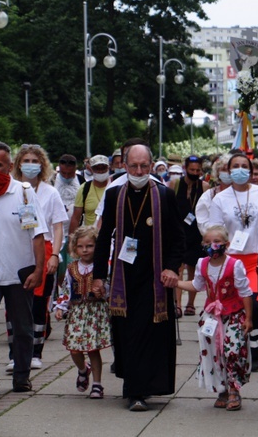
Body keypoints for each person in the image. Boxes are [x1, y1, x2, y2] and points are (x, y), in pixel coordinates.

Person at [92, 144, 185, 411]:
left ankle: (139, 391)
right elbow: (102, 238)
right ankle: (134, 388)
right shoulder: (113, 195)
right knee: (129, 334)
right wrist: (99, 276)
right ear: (124, 165)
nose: (139, 171)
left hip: (155, 278)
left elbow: (178, 238)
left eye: (144, 166)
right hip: (124, 277)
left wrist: (172, 267)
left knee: (148, 334)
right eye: (133, 166)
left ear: (151, 164)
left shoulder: (165, 196)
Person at [0, 141, 48, 401]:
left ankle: (21, 375)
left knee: (22, 329)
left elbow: (37, 235)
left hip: (19, 275)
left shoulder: (23, 193)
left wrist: (39, 270)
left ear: (9, 166)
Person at [200, 153, 258, 371]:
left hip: (256, 260)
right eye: (235, 166)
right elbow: (215, 231)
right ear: (229, 171)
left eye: (244, 166)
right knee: (233, 307)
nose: (240, 170)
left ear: (251, 170)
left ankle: (256, 350)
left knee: (255, 305)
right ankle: (233, 346)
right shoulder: (221, 198)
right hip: (231, 261)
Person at [177, 225, 253, 410]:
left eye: (217, 242)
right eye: (208, 242)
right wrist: (176, 282)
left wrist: (249, 318)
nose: (213, 245)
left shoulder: (235, 265)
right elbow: (197, 285)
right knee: (214, 353)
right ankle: (222, 389)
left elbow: (245, 292)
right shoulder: (202, 263)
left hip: (234, 314)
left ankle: (234, 388)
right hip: (211, 316)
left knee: (233, 350)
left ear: (226, 244)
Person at [7, 145, 67, 371]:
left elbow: (58, 226)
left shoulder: (50, 192)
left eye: (35, 160)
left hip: (45, 249)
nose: (30, 164)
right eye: (26, 160)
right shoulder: (11, 190)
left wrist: (54, 255)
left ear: (42, 164)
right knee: (13, 307)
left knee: (39, 306)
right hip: (17, 252)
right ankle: (15, 355)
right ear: (18, 164)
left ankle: (35, 352)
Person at [53, 226, 111, 399]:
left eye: (90, 246)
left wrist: (104, 292)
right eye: (81, 246)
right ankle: (83, 370)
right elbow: (65, 290)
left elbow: (109, 286)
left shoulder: (103, 266)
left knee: (93, 349)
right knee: (74, 350)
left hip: (95, 312)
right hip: (77, 313)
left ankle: (97, 384)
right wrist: (61, 307)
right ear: (75, 248)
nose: (85, 250)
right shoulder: (71, 268)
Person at [167, 155, 210, 318]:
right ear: (185, 169)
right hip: (178, 230)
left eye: (198, 170)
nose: (195, 172)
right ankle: (177, 304)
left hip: (196, 233)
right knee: (178, 267)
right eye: (192, 170)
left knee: (194, 268)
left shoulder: (204, 186)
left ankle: (190, 303)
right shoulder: (175, 184)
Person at [53, 154, 81, 286]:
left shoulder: (82, 180)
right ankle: (56, 296)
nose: (66, 176)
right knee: (57, 268)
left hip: (74, 233)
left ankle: (67, 293)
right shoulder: (51, 180)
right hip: (55, 233)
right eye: (63, 173)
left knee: (71, 267)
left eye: (70, 174)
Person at [69, 154, 110, 234]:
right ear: (91, 169)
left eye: (103, 168)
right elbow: (76, 218)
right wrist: (72, 242)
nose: (100, 171)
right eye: (97, 168)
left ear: (108, 168)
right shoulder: (84, 189)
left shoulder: (115, 186)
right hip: (90, 237)